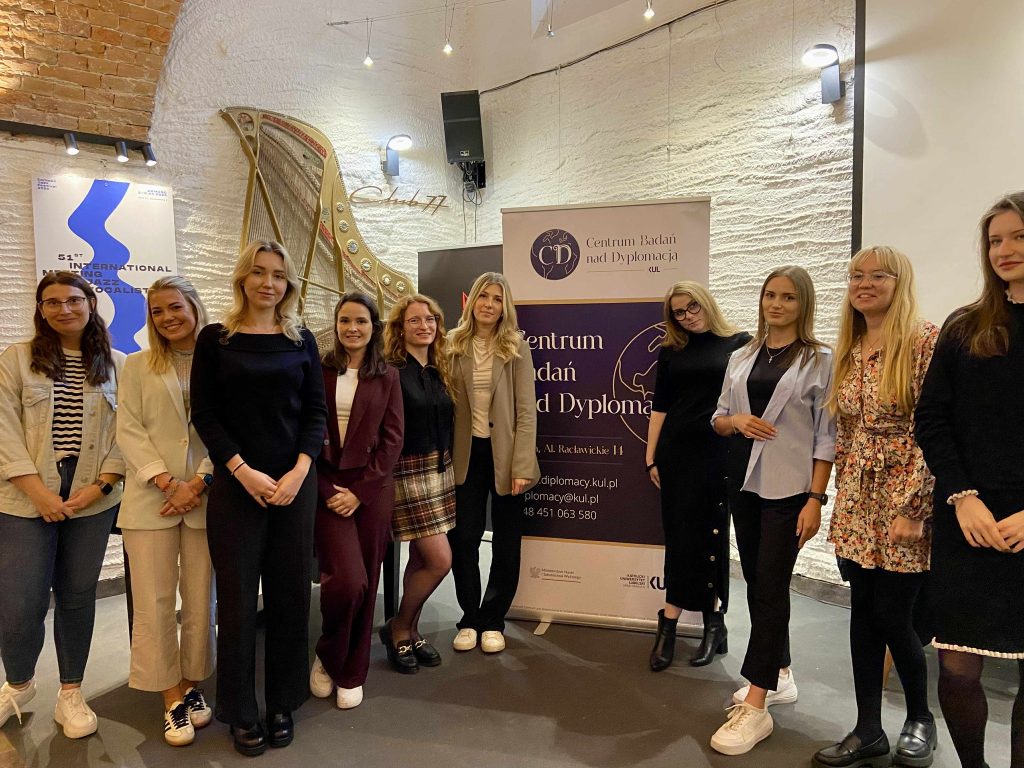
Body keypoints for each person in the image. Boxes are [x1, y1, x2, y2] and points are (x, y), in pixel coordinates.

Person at [190, 240, 327, 757]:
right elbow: (205, 414)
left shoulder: (301, 340)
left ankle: (282, 703)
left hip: (295, 483)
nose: (269, 283)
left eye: (279, 275)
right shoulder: (216, 340)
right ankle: (241, 710)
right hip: (237, 485)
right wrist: (241, 470)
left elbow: (315, 413)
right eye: (259, 273)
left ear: (288, 284)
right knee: (238, 599)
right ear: (243, 279)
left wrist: (299, 472)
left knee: (291, 594)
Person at [814, 248, 939, 768]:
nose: (863, 284)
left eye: (877, 276)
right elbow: (845, 431)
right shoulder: (852, 345)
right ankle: (868, 728)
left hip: (905, 496)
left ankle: (920, 718)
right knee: (863, 613)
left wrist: (914, 506)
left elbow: (934, 427)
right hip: (857, 500)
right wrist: (839, 498)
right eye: (855, 276)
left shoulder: (924, 340)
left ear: (899, 281)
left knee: (893, 613)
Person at [915, 192, 1024, 768]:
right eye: (995, 239)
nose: (1004, 250)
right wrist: (962, 497)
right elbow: (932, 419)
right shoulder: (965, 326)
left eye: (1019, 236)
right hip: (969, 516)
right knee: (957, 667)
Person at [709, 265, 835, 755]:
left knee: (770, 588)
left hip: (790, 491)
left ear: (804, 304)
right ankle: (779, 672)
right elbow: (719, 419)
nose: (776, 305)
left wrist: (815, 499)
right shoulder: (741, 356)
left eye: (788, 297)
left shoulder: (820, 360)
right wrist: (737, 421)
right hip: (745, 485)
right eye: (770, 295)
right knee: (759, 583)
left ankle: (757, 703)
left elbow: (826, 437)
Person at [0, 271, 124, 739]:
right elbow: (3, 428)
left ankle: (71, 691)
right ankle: (18, 683)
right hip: (24, 495)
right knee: (19, 600)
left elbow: (127, 435)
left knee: (76, 595)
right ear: (40, 310)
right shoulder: (16, 359)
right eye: (51, 302)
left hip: (92, 495)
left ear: (90, 303)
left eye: (73, 300)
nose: (63, 309)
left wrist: (102, 487)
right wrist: (38, 493)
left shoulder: (117, 364)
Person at [116, 276, 216, 747]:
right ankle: (170, 697)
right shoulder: (137, 365)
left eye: (175, 307)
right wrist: (166, 481)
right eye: (157, 311)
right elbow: (129, 429)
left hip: (206, 497)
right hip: (150, 499)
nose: (167, 317)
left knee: (200, 599)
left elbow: (231, 426)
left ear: (194, 307)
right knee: (154, 603)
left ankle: (193, 683)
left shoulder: (221, 362)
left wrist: (199, 481)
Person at [645, 282, 750, 671]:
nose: (687, 316)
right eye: (678, 312)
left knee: (712, 535)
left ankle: (714, 622)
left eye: (692, 307)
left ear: (706, 303)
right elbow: (660, 406)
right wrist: (650, 456)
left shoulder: (740, 345)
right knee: (679, 536)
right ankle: (669, 624)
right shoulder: (671, 350)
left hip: (719, 452)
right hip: (676, 453)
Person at [309, 293, 403, 706]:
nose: (352, 328)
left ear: (374, 327)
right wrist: (327, 489)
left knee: (369, 581)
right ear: (335, 324)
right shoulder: (318, 369)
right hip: (326, 485)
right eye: (345, 320)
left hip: (371, 489)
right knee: (348, 583)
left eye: (361, 321)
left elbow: (393, 439)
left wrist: (360, 492)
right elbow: (305, 430)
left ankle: (352, 670)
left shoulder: (388, 376)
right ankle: (329, 654)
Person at [447, 272, 540, 654]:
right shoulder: (452, 344)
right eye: (483, 296)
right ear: (471, 301)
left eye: (497, 299)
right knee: (463, 538)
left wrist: (522, 465)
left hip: (507, 455)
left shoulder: (516, 348)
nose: (488, 304)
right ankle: (469, 617)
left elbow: (526, 411)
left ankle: (493, 620)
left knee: (506, 541)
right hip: (465, 455)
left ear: (505, 307)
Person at [379, 294, 456, 673]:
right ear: (400, 328)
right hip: (407, 472)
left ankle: (410, 631)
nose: (424, 326)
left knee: (421, 558)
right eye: (414, 320)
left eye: (430, 319)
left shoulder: (440, 367)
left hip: (441, 469)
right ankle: (397, 627)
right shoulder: (391, 370)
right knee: (441, 561)